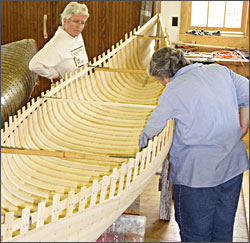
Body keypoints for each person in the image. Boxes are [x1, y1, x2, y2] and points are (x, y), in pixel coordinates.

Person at [139, 47, 249, 242]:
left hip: (197, 177)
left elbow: (151, 130)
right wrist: (243, 126)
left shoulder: (174, 89)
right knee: (223, 231)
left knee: (195, 235)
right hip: (232, 168)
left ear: (165, 76)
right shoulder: (219, 70)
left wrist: (139, 152)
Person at [29, 1, 89, 84]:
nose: (79, 27)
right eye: (75, 22)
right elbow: (34, 65)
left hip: (82, 84)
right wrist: (54, 75)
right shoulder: (57, 44)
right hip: (67, 89)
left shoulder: (77, 35)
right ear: (65, 21)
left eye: (82, 23)